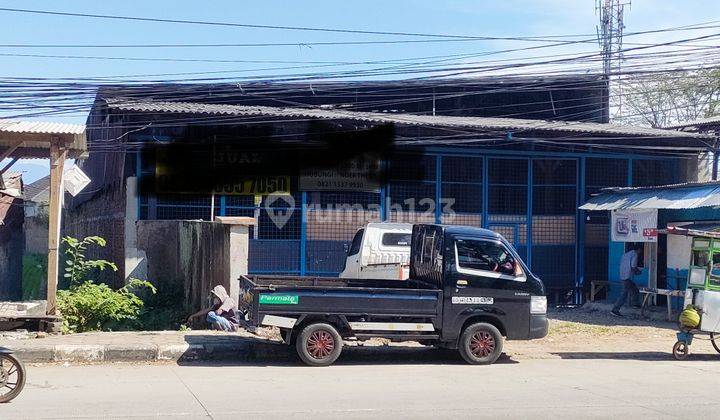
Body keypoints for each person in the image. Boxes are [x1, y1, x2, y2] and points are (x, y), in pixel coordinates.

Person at [611, 244, 642, 317]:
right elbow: (633, 266)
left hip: (623, 275)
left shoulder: (625, 255)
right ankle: (615, 309)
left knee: (634, 289)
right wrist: (638, 272)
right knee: (624, 294)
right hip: (628, 276)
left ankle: (635, 304)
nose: (641, 252)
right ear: (638, 249)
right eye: (640, 250)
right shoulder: (635, 254)